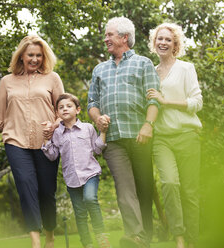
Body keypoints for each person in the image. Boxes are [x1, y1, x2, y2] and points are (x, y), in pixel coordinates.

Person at [0, 35, 64, 248]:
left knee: (46, 191)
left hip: (47, 144)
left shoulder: (52, 78)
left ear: (43, 57)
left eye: (38, 55)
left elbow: (63, 111)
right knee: (26, 187)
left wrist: (54, 125)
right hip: (15, 142)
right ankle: (35, 242)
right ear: (21, 57)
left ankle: (50, 238)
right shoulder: (7, 82)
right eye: (30, 55)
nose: (34, 59)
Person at [88, 17, 160, 248]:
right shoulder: (100, 69)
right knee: (125, 188)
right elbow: (92, 103)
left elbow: (154, 100)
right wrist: (98, 118)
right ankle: (136, 235)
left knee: (144, 187)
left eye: (110, 35)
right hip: (114, 139)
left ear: (124, 37)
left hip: (140, 136)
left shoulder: (143, 63)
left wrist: (148, 125)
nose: (106, 39)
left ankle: (145, 236)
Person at [147, 23, 202, 248]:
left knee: (189, 192)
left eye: (168, 39)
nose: (163, 42)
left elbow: (197, 102)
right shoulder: (150, 71)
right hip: (161, 139)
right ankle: (179, 239)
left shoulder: (186, 68)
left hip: (188, 134)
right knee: (169, 183)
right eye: (159, 39)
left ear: (175, 44)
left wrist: (165, 101)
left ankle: (193, 242)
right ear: (154, 43)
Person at [41, 93, 111, 248]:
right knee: (80, 214)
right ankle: (87, 244)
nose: (65, 109)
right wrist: (46, 138)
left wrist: (103, 132)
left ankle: (102, 238)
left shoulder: (88, 128)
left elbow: (98, 149)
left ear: (78, 110)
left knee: (90, 199)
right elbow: (52, 155)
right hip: (72, 180)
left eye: (69, 106)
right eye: (61, 107)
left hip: (90, 173)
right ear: (57, 113)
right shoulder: (57, 133)